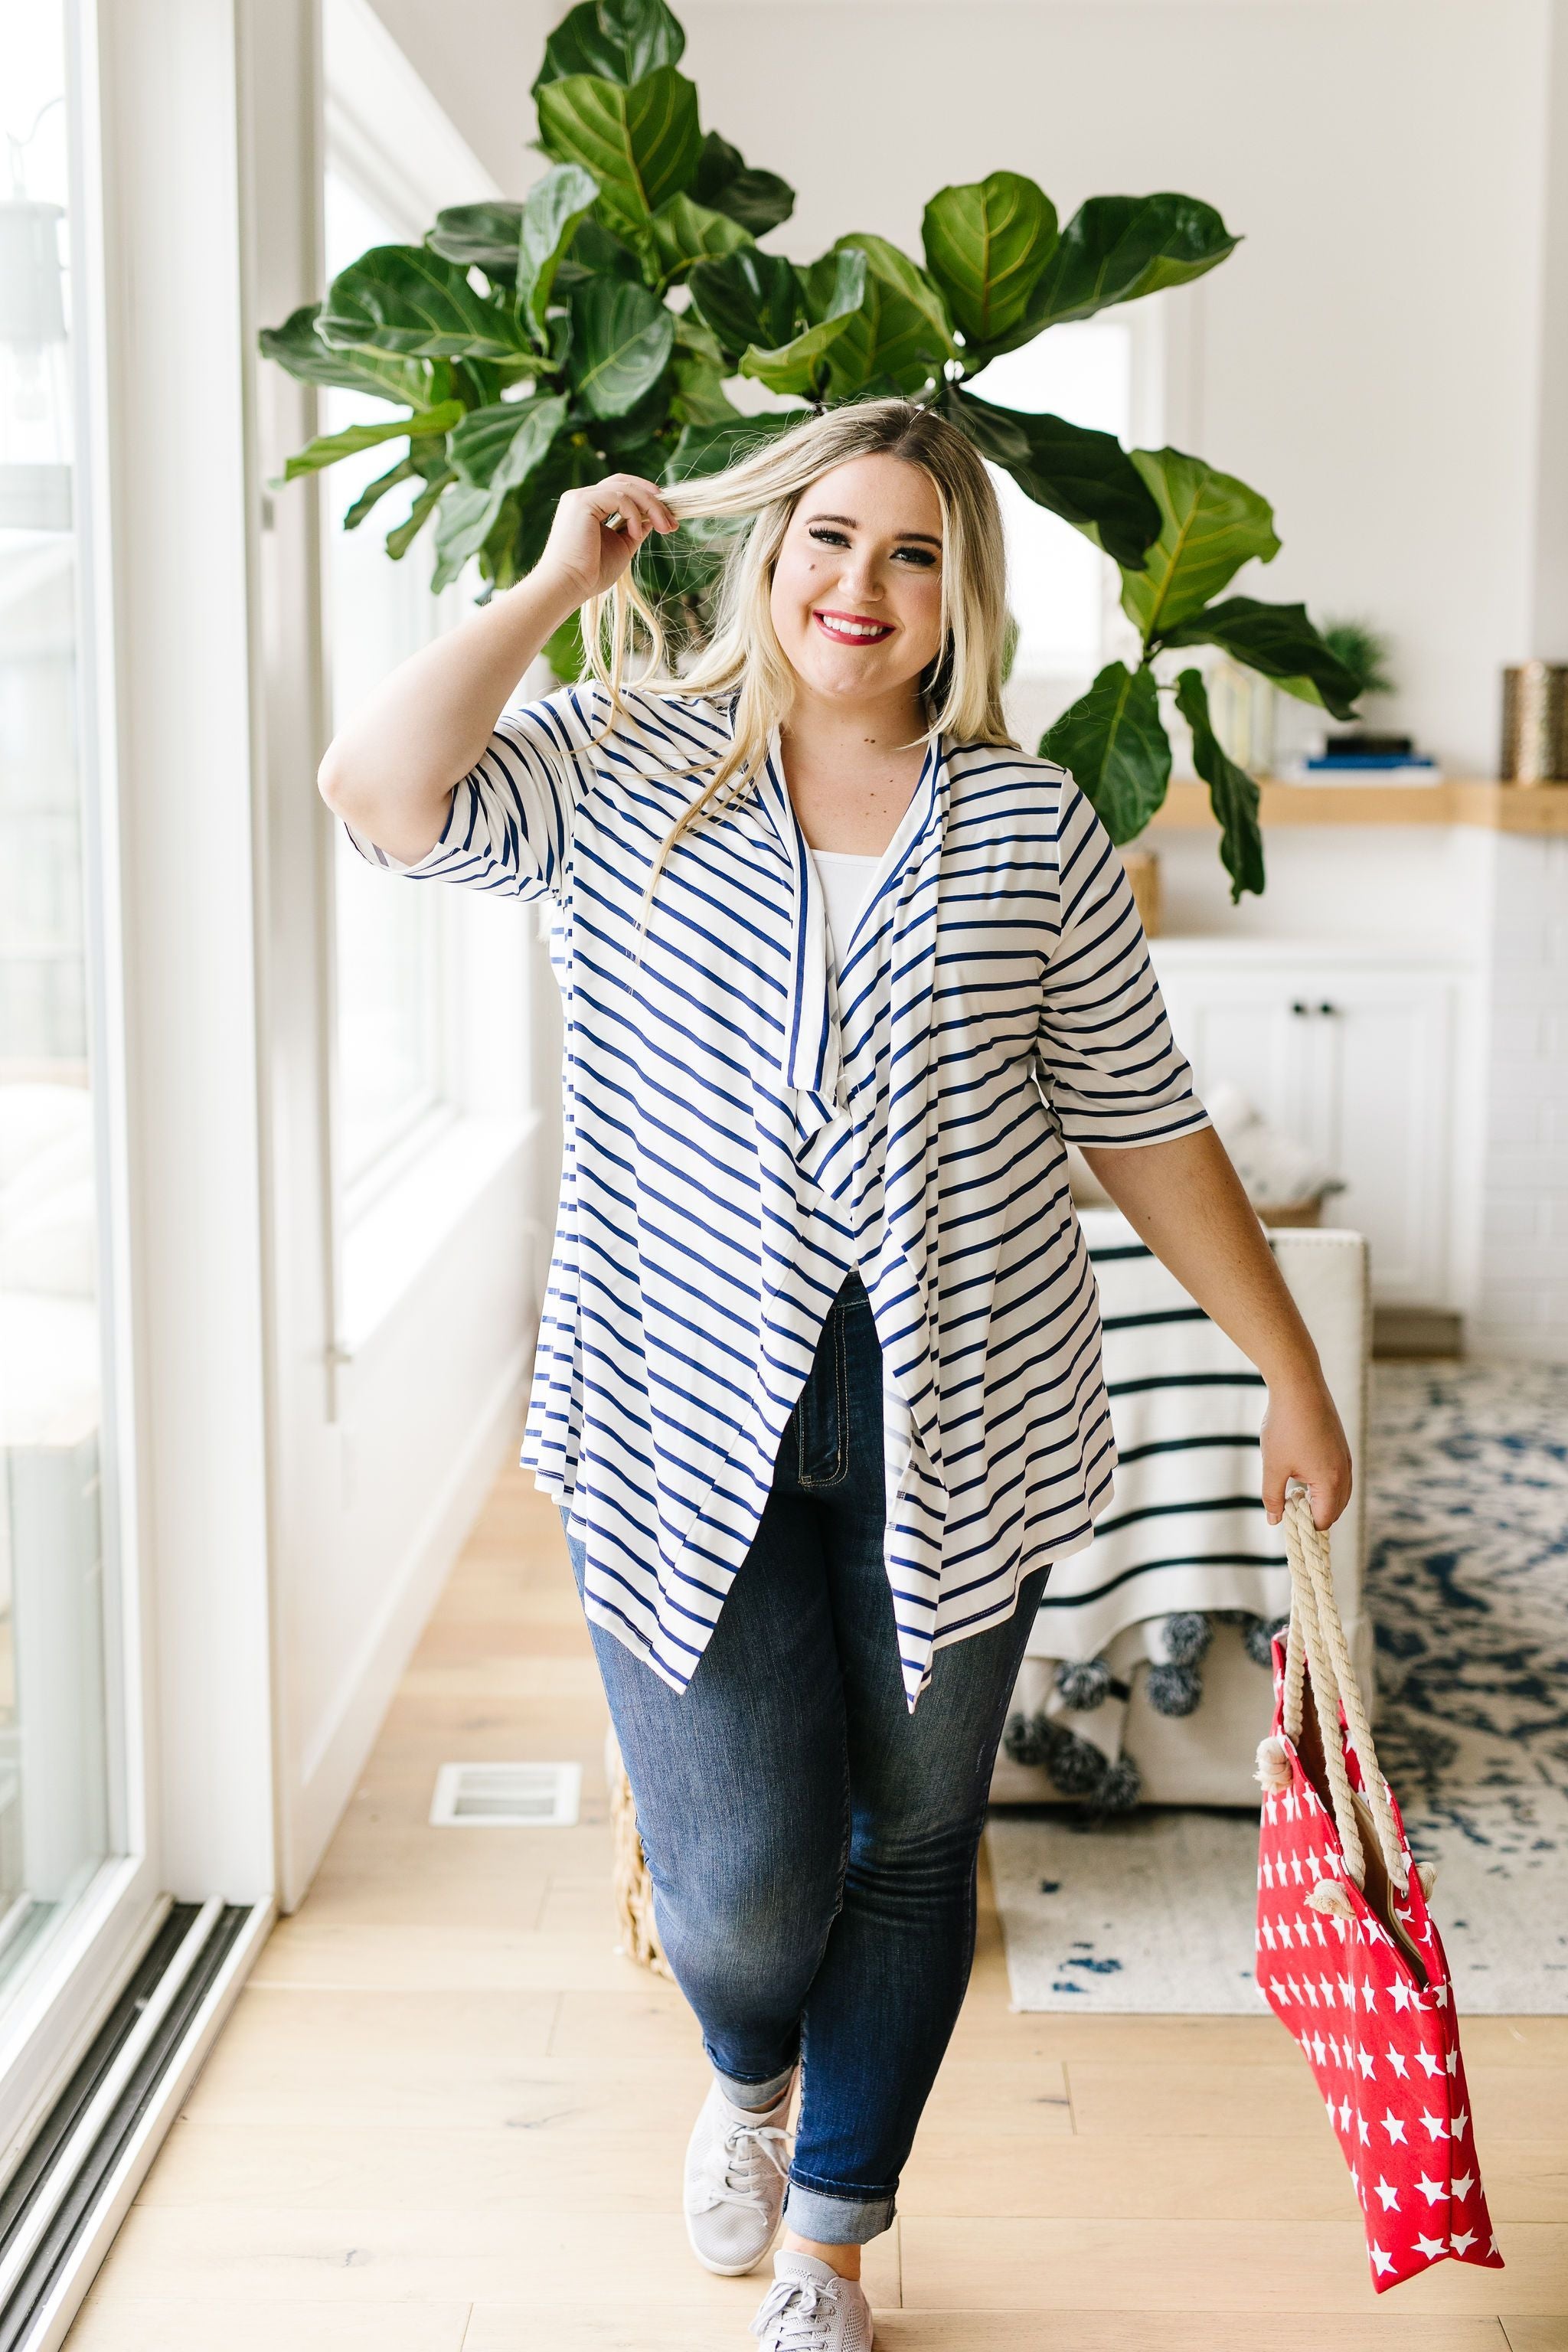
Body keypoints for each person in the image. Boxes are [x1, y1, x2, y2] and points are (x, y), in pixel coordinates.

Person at [318, 397, 1351, 2351]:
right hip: (672, 1401)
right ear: (761, 554)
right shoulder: (621, 766)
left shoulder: (1034, 826)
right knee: (735, 1895)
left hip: (959, 1401)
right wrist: (555, 581)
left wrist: (1286, 1368)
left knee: (918, 1849)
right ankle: (744, 2075)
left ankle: (831, 2246)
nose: (857, 588)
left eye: (908, 553)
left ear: (962, 592)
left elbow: (1139, 1123)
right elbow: (377, 790)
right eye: (825, 540)